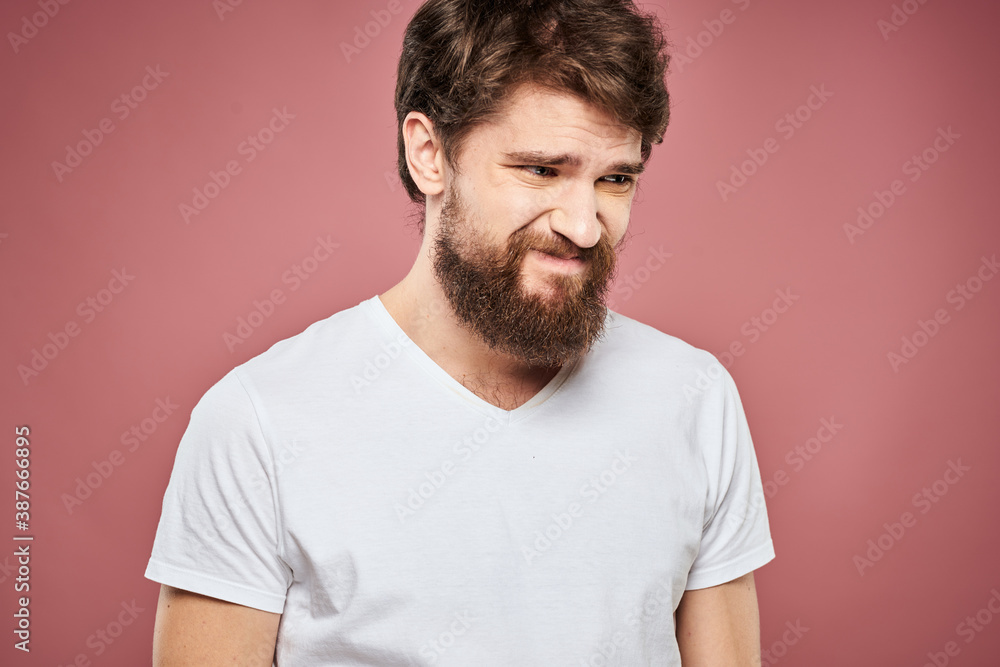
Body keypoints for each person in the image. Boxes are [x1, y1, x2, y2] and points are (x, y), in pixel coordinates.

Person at [145, 0, 776, 664]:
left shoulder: (695, 399)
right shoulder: (258, 423)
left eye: (615, 179)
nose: (585, 226)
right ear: (429, 154)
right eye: (541, 170)